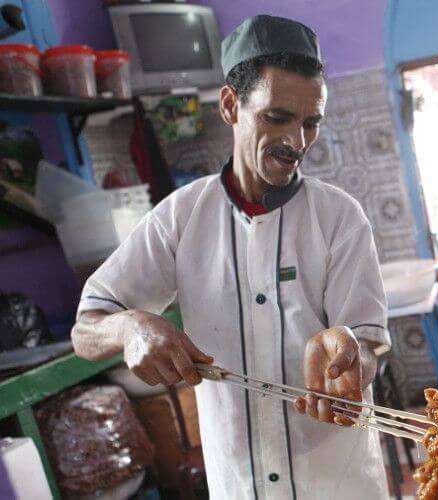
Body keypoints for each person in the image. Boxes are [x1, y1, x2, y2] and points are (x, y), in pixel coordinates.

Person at [71, 16, 390, 500]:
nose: (297, 142)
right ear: (230, 106)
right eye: (276, 117)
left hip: (338, 481)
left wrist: (353, 358)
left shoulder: (340, 217)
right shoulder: (180, 218)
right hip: (242, 485)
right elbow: (86, 328)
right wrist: (130, 327)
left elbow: (365, 345)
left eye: (311, 123)